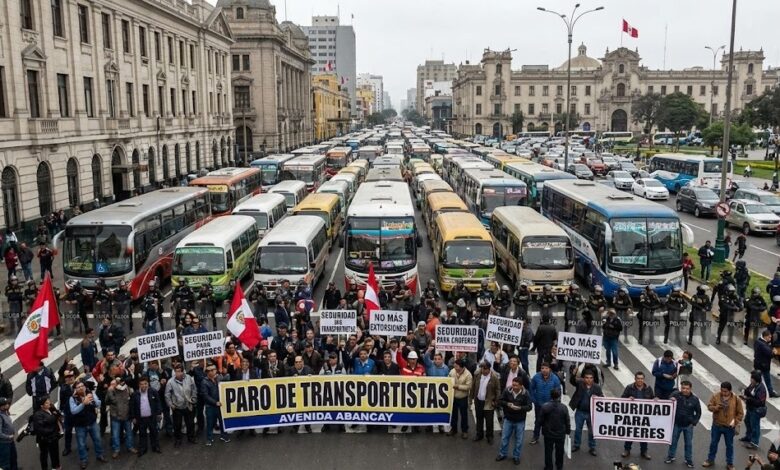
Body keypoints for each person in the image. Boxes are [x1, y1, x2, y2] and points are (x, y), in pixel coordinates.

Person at [702, 381, 744, 469]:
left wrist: (735, 422)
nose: (723, 393)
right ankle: (710, 460)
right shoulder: (716, 396)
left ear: (730, 391)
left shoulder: (736, 399)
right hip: (717, 425)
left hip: (729, 428)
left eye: (725, 391)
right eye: (722, 390)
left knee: (729, 446)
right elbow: (709, 406)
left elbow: (740, 413)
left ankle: (730, 463)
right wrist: (715, 408)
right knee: (713, 443)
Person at [496, 377, 533, 464]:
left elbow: (529, 407)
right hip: (508, 419)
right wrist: (507, 404)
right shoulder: (507, 391)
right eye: (513, 385)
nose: (514, 387)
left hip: (520, 420)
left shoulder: (526, 394)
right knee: (504, 438)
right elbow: (500, 401)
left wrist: (520, 408)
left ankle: (516, 456)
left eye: (516, 386)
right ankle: (502, 453)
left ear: (521, 386)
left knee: (519, 440)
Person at [70, 381, 107, 469]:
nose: (81, 388)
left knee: (97, 440)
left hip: (92, 422)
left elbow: (98, 404)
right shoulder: (72, 398)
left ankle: (99, 455)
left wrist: (93, 398)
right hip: (80, 425)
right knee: (81, 444)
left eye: (82, 386)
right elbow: (73, 411)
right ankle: (84, 460)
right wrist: (83, 403)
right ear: (75, 389)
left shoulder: (90, 394)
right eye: (78, 387)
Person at [665, 380, 701, 468]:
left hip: (688, 425)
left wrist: (694, 422)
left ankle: (688, 459)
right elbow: (667, 403)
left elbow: (698, 412)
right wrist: (670, 400)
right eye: (683, 388)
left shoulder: (695, 399)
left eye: (687, 388)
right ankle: (671, 456)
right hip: (676, 424)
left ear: (690, 389)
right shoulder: (675, 395)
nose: (685, 390)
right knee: (673, 442)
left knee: (688, 444)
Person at [621, 372, 655, 459]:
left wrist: (655, 399)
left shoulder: (648, 388)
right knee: (630, 433)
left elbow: (652, 399)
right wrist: (627, 399)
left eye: (641, 378)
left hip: (644, 416)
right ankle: (627, 450)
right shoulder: (629, 388)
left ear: (644, 379)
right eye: (638, 378)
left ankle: (644, 451)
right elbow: (622, 398)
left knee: (643, 434)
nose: (640, 380)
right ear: (635, 379)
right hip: (632, 415)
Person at [569, 370, 603, 456]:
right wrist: (573, 373)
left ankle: (592, 447)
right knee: (578, 430)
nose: (589, 380)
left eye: (591, 378)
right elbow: (572, 381)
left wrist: (597, 397)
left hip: (591, 413)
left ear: (593, 379)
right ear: (583, 378)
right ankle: (576, 445)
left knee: (592, 431)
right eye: (587, 378)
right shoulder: (580, 384)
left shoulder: (597, 387)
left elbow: (602, 398)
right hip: (580, 411)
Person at [165, 364, 198, 446]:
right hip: (177, 407)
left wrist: (193, 399)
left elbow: (194, 389)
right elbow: (167, 394)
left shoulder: (189, 378)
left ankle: (191, 438)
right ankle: (178, 440)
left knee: (190, 423)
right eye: (176, 371)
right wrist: (171, 404)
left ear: (183, 372)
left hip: (188, 405)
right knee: (177, 425)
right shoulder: (170, 382)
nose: (178, 373)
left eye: (179, 371)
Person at [530, 363, 562, 445]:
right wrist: (534, 400)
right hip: (539, 404)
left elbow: (558, 392)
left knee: (550, 422)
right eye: (542, 368)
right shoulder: (536, 377)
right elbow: (531, 388)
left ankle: (549, 438)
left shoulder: (555, 379)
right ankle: (535, 436)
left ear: (549, 369)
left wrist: (556, 404)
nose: (544, 370)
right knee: (538, 421)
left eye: (546, 368)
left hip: (550, 405)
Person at [470, 361, 501, 444]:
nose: (483, 370)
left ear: (489, 369)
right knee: (479, 419)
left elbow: (498, 390)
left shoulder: (494, 377)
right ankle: (479, 434)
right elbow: (473, 386)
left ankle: (489, 436)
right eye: (482, 368)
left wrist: (496, 401)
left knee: (489, 421)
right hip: (478, 401)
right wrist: (471, 398)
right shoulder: (477, 375)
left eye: (485, 369)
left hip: (489, 402)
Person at [105, 377, 135, 459]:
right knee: (115, 434)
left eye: (119, 382)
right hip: (116, 416)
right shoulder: (111, 391)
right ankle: (116, 449)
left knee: (129, 433)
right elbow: (107, 401)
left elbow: (131, 401)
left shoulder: (127, 389)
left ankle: (130, 446)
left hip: (126, 415)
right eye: (116, 383)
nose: (118, 384)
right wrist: (109, 391)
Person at [740, 370, 768, 450]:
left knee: (755, 426)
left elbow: (759, 402)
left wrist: (748, 399)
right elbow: (748, 391)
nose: (750, 380)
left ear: (756, 380)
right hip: (750, 408)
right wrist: (744, 392)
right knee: (747, 421)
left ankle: (754, 443)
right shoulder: (753, 385)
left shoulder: (761, 389)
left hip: (756, 410)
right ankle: (748, 436)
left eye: (752, 379)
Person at [33, 397, 62, 470]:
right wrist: (52, 430)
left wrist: (55, 410)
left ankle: (55, 466)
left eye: (49, 401)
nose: (49, 403)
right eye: (46, 403)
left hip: (54, 437)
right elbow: (40, 429)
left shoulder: (51, 409)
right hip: (45, 439)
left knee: (55, 453)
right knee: (44, 454)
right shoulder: (38, 415)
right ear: (41, 406)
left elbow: (58, 415)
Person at [448, 359, 472, 439]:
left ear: (462, 367)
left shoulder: (468, 375)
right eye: (454, 366)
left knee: (464, 415)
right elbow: (448, 379)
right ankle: (453, 429)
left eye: (457, 367)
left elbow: (468, 387)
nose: (455, 368)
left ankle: (464, 431)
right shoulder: (452, 371)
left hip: (462, 398)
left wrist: (458, 387)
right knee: (453, 415)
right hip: (453, 397)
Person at [754, 330, 780, 398]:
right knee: (765, 380)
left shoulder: (758, 341)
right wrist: (774, 352)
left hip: (758, 364)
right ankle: (769, 393)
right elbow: (770, 354)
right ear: (765, 336)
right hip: (763, 365)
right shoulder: (762, 344)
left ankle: (769, 392)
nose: (770, 338)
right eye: (769, 337)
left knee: (758, 379)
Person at [0, 397, 17, 470]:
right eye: (6, 404)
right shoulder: (0, 416)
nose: (8, 405)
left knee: (13, 459)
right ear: (1, 406)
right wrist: (8, 437)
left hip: (10, 442)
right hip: (4, 444)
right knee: (5, 463)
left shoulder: (5, 413)